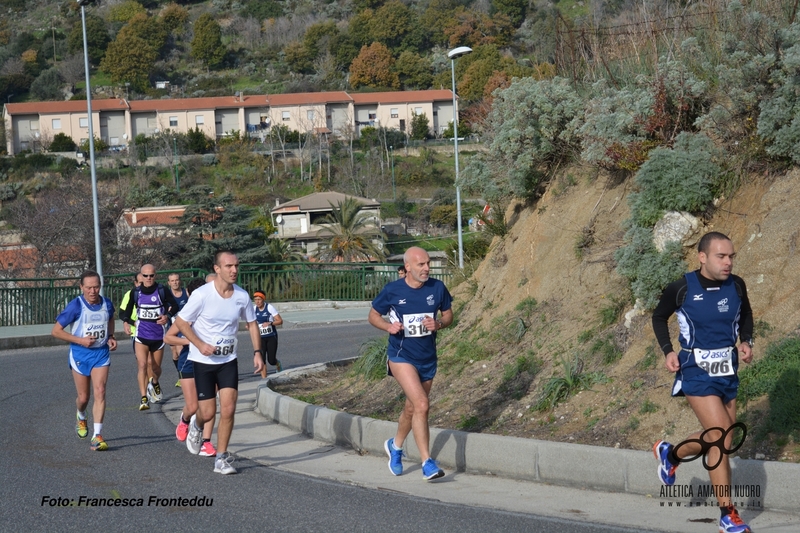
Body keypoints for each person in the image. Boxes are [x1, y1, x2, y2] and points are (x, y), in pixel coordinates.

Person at [651, 232, 754, 533]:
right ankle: (727, 515)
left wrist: (745, 340)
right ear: (702, 257)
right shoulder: (682, 288)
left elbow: (746, 313)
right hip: (695, 369)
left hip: (727, 371)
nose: (728, 262)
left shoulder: (736, 285)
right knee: (721, 433)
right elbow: (659, 317)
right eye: (721, 256)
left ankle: (670, 454)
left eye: (731, 256)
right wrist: (668, 351)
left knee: (722, 439)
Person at [175, 251, 263, 475]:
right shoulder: (202, 295)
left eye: (236, 265)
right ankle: (195, 424)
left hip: (228, 360)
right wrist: (199, 343)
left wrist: (257, 352)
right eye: (229, 266)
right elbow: (181, 322)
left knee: (229, 409)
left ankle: (221, 458)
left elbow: (252, 324)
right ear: (217, 269)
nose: (234, 270)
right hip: (203, 361)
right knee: (206, 413)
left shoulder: (242, 296)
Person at [369, 246, 453, 481]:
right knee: (423, 405)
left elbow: (448, 315)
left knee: (411, 408)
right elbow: (373, 315)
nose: (427, 268)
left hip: (427, 357)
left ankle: (395, 447)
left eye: (428, 264)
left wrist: (439, 324)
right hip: (401, 356)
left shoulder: (437, 288)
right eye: (421, 264)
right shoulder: (393, 290)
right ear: (407, 267)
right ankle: (427, 462)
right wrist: (388, 326)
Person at [51, 271, 118, 451]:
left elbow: (110, 318)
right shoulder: (76, 306)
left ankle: (97, 436)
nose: (92, 291)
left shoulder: (107, 303)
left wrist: (110, 335)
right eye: (88, 287)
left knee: (100, 391)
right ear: (81, 287)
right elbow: (56, 331)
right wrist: (81, 340)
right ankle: (81, 415)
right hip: (80, 354)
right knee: (83, 397)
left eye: (96, 286)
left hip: (101, 354)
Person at [164, 277, 217, 457]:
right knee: (193, 406)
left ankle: (207, 442)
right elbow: (168, 338)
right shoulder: (186, 313)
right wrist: (189, 341)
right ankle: (185, 419)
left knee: (211, 403)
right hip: (188, 360)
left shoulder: (214, 311)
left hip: (210, 361)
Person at [119, 264, 179, 411]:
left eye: (151, 275)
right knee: (142, 365)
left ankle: (155, 382)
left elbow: (175, 306)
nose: (148, 278)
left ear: (155, 275)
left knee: (156, 367)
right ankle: (143, 397)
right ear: (141, 276)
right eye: (145, 276)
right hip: (141, 334)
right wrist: (127, 322)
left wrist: (167, 316)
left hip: (158, 334)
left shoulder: (161, 290)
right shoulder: (136, 292)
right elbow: (126, 311)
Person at [253, 290, 283, 378]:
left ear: (263, 299)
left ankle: (277, 363)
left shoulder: (269, 308)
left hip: (271, 337)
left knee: (271, 360)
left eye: (259, 299)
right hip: (260, 338)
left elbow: (280, 321)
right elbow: (251, 322)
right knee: (261, 359)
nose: (257, 302)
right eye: (255, 300)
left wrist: (270, 323)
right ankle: (264, 380)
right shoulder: (254, 309)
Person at [167, 273, 190, 387]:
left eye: (177, 280)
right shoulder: (167, 295)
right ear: (169, 283)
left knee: (181, 350)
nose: (175, 282)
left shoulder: (186, 293)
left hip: (184, 326)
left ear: (180, 281)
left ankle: (184, 377)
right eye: (172, 281)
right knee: (175, 354)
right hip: (171, 327)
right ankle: (180, 374)